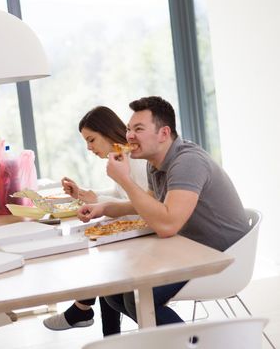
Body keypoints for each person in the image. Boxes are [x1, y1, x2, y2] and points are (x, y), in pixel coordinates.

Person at [76, 96, 249, 328]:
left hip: (221, 257)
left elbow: (167, 225)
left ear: (164, 133)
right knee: (115, 294)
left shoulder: (187, 162)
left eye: (138, 129)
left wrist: (125, 180)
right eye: (129, 129)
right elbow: (149, 203)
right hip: (190, 248)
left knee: (137, 298)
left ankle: (194, 344)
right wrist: (106, 208)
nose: (129, 136)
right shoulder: (154, 163)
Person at [43, 106, 147, 336]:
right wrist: (83, 194)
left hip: (148, 235)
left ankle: (84, 312)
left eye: (91, 140)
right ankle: (92, 319)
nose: (89, 148)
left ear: (108, 132)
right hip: (139, 230)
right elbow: (122, 194)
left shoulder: (136, 160)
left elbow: (141, 205)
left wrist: (95, 200)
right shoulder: (122, 156)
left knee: (102, 256)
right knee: (101, 253)